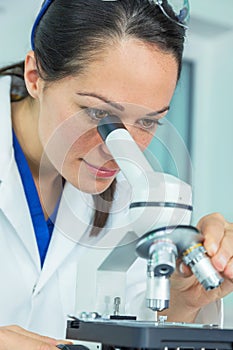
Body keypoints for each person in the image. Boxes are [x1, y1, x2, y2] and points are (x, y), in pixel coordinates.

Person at [0, 0, 233, 348]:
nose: (121, 149)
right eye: (97, 113)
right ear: (36, 77)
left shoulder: (137, 200)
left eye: (148, 121)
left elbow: (144, 327)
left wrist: (184, 301)